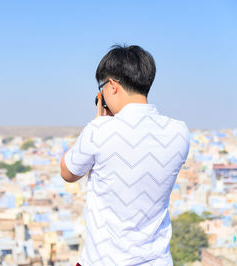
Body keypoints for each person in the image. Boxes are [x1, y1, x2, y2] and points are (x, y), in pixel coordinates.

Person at [60, 44, 190, 265]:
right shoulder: (180, 132)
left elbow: (67, 172)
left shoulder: (99, 130)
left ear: (111, 86)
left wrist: (98, 123)